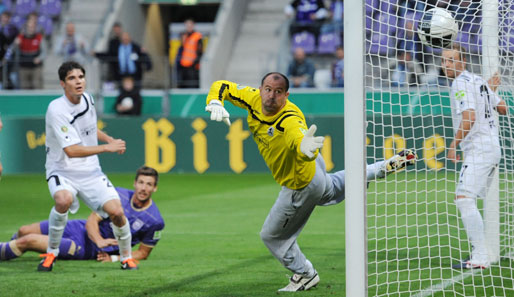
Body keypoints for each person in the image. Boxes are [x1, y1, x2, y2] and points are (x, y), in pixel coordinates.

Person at [204, 72, 417, 291]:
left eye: (278, 92)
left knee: (272, 236)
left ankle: (305, 273)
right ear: (260, 89)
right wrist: (214, 100)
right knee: (331, 187)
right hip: (314, 173)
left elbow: (298, 137)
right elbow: (223, 86)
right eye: (267, 89)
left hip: (300, 182)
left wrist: (305, 150)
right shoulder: (252, 99)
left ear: (286, 95)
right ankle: (380, 168)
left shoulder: (289, 118)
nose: (271, 96)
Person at [41, 61, 138, 271]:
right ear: (62, 84)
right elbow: (72, 151)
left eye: (81, 77)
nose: (78, 82)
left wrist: (109, 140)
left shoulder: (87, 99)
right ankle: (51, 253)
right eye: (72, 78)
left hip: (90, 170)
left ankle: (126, 257)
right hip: (62, 169)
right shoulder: (56, 110)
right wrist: (106, 149)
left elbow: (90, 129)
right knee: (63, 199)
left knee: (117, 212)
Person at [0, 166, 164, 262]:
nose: (143, 188)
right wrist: (99, 239)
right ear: (135, 183)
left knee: (29, 241)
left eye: (149, 184)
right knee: (24, 231)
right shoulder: (119, 195)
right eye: (141, 182)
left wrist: (113, 258)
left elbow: (143, 253)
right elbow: (92, 219)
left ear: (155, 188)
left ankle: (5, 250)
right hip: (79, 228)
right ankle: (8, 250)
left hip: (85, 248)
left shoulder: (155, 220)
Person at [442, 44, 508, 270]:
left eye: (451, 60)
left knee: (464, 199)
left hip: (479, 149)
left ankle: (479, 256)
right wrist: (490, 90)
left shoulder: (460, 83)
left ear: (463, 62)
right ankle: (481, 253)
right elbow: (503, 108)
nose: (446, 65)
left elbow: (469, 117)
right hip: (492, 148)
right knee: (468, 198)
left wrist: (454, 144)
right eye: (444, 61)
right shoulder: (478, 81)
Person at [14, 18, 46, 89]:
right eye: (29, 27)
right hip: (23, 67)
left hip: (36, 67)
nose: (31, 29)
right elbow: (12, 51)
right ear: (26, 27)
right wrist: (15, 44)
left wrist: (39, 58)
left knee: (37, 87)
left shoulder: (39, 37)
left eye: (33, 27)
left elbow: (44, 52)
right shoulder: (20, 37)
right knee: (24, 87)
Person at [92, 22, 123, 89]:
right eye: (115, 30)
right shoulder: (112, 42)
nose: (117, 31)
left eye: (118, 29)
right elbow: (109, 54)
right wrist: (97, 54)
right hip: (114, 69)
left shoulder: (125, 42)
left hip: (124, 70)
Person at [176, 18, 203, 88]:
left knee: (192, 85)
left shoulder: (197, 36)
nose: (188, 27)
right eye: (187, 25)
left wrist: (195, 62)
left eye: (190, 25)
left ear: (193, 26)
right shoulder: (184, 36)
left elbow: (200, 52)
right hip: (183, 65)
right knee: (183, 86)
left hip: (192, 67)